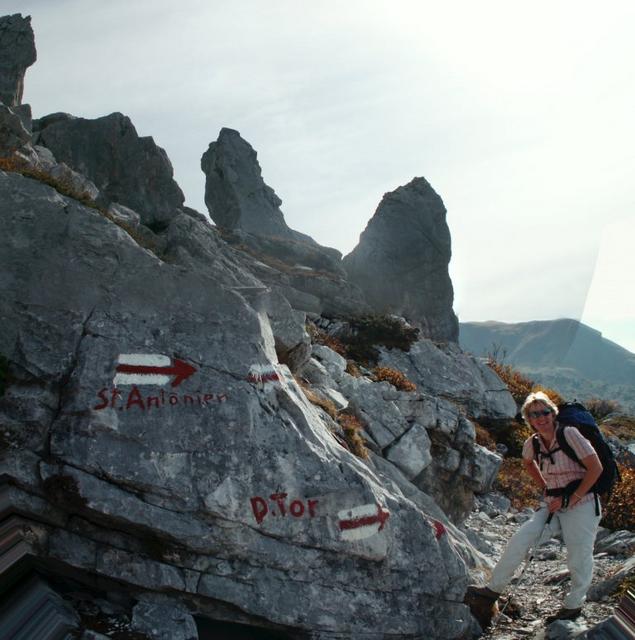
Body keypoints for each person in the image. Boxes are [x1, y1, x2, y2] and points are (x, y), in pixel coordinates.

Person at [471, 391, 603, 624]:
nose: (540, 418)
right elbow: (527, 463)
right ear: (528, 419)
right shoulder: (532, 443)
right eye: (534, 414)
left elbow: (596, 468)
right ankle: (492, 591)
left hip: (583, 503)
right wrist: (545, 487)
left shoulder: (569, 434)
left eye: (545, 412)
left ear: (553, 413)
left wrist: (572, 498)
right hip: (553, 504)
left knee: (578, 555)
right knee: (520, 540)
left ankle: (573, 606)